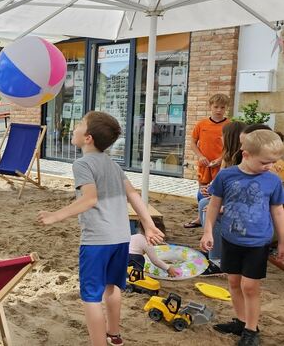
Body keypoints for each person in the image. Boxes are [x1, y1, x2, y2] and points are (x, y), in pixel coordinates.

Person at [37, 111, 165, 346]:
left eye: (79, 124)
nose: (74, 128)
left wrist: (56, 216)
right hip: (120, 237)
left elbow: (89, 199)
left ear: (88, 138)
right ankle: (114, 335)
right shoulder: (113, 165)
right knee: (112, 286)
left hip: (97, 241)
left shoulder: (82, 164)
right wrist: (148, 223)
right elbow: (133, 195)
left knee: (90, 297)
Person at [201, 130, 284, 346]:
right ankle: (240, 321)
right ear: (245, 154)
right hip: (231, 238)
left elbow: (278, 211)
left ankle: (251, 329)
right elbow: (214, 205)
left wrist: (282, 240)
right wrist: (208, 230)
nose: (270, 166)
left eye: (273, 162)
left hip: (258, 242)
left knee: (250, 287)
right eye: (265, 162)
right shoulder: (226, 176)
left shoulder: (273, 181)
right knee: (234, 282)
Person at [197, 121, 247, 268]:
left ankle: (217, 261)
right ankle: (211, 246)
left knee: (211, 211)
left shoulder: (244, 162)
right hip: (230, 201)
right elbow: (220, 183)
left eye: (222, 135)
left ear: (230, 137)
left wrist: (224, 207)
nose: (220, 138)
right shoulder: (227, 157)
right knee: (203, 203)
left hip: (241, 207)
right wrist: (209, 189)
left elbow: (242, 193)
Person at [185, 93, 230, 228]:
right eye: (216, 107)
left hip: (221, 165)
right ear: (210, 106)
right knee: (202, 190)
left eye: (222, 107)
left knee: (217, 192)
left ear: (226, 108)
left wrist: (221, 159)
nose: (218, 110)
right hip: (204, 165)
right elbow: (193, 142)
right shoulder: (202, 124)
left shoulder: (229, 125)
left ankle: (214, 217)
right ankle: (200, 217)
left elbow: (231, 146)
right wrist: (200, 156)